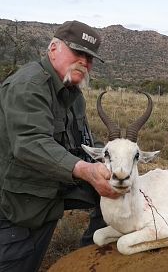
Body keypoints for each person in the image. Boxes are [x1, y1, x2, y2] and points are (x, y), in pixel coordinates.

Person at [0, 20, 119, 272]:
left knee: (117, 189)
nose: (84, 62)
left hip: (53, 186)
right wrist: (86, 170)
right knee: (20, 260)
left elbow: (84, 142)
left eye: (90, 58)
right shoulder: (29, 85)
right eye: (78, 53)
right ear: (53, 48)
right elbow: (30, 143)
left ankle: (89, 257)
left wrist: (114, 158)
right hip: (18, 199)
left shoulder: (73, 94)